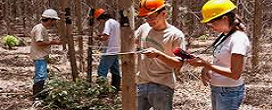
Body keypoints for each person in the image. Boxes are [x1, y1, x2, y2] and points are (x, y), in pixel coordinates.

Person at [187, 0, 250, 110]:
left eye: (213, 23)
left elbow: (235, 74)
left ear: (225, 18)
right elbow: (221, 61)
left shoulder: (238, 39)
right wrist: (206, 67)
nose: (211, 26)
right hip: (219, 88)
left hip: (229, 91)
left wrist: (206, 64)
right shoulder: (224, 35)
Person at [135, 0, 186, 109]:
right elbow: (131, 42)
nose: (149, 21)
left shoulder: (176, 35)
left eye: (152, 17)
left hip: (162, 86)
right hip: (141, 83)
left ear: (163, 14)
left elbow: (178, 64)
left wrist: (159, 55)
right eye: (146, 18)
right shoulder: (143, 28)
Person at [30, 9, 62, 100]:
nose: (54, 23)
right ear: (50, 19)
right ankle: (37, 98)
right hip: (39, 56)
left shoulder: (42, 28)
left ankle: (39, 95)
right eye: (54, 21)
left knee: (42, 75)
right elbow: (39, 43)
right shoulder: (39, 28)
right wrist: (53, 42)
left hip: (42, 56)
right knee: (40, 76)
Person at [94, 8, 121, 91]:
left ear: (101, 18)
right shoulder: (115, 22)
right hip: (116, 49)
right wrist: (100, 35)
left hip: (109, 50)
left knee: (102, 71)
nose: (100, 22)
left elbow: (106, 37)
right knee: (115, 71)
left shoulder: (108, 23)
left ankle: (101, 90)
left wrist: (98, 38)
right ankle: (116, 88)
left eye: (99, 20)